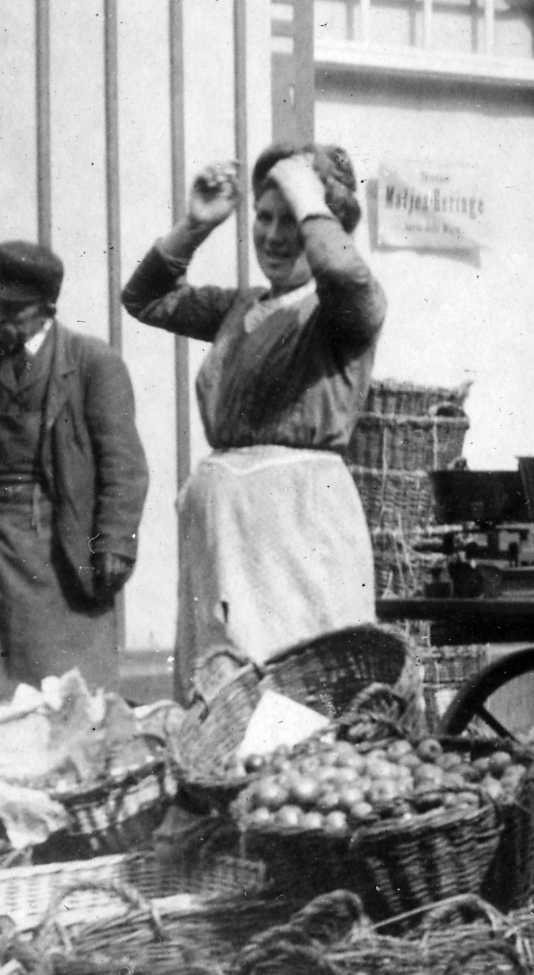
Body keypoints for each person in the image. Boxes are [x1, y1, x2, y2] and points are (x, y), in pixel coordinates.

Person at [123, 146, 384, 698]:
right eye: (263, 218)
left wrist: (309, 197)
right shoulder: (240, 307)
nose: (273, 236)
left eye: (291, 220)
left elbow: (344, 272)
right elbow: (143, 298)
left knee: (296, 680)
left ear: (326, 224)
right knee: (223, 684)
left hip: (298, 523)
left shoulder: (343, 312)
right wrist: (197, 223)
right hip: (225, 528)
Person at [0, 242, 148, 702]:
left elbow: (123, 463)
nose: (0, 318)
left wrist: (115, 541)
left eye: (14, 309)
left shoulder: (92, 363)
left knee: (65, 694)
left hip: (59, 542)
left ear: (47, 307)